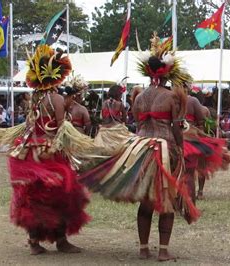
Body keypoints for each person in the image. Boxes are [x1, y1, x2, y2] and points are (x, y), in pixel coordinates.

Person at [78, 35, 199, 261]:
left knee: (146, 199)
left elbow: (137, 123)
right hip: (164, 149)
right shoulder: (173, 97)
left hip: (139, 148)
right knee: (166, 200)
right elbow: (176, 128)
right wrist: (181, 150)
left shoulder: (139, 96)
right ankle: (163, 250)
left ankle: (144, 248)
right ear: (168, 72)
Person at [0, 45, 90, 255]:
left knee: (35, 196)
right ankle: (60, 240)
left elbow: (32, 125)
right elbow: (61, 128)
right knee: (60, 195)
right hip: (50, 151)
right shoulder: (56, 98)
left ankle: (35, 242)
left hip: (30, 151)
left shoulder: (36, 98)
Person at [183, 84, 230, 201]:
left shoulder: (173, 100)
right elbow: (205, 123)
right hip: (194, 137)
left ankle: (183, 191)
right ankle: (199, 192)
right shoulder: (203, 109)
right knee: (201, 166)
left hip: (179, 136)